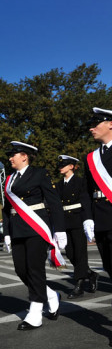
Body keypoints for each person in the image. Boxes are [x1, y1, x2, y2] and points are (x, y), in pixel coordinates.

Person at [2, 141, 67, 330]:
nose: (10, 158)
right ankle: (49, 295)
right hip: (17, 229)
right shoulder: (9, 179)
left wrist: (60, 229)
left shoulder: (39, 173)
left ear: (24, 156)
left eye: (13, 154)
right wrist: (6, 233)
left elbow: (54, 202)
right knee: (21, 270)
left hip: (36, 227)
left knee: (35, 269)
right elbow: (7, 209)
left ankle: (36, 312)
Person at [57, 155, 97, 298]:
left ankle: (78, 285)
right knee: (70, 253)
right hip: (65, 222)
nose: (60, 167)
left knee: (80, 254)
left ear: (72, 166)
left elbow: (85, 201)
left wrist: (88, 219)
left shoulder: (80, 182)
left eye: (64, 164)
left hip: (78, 220)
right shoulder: (59, 185)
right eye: (60, 165)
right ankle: (90, 274)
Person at [84, 107, 112, 287]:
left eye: (95, 124)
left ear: (111, 124)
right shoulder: (91, 158)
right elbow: (86, 192)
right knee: (109, 266)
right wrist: (88, 218)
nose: (91, 129)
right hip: (101, 218)